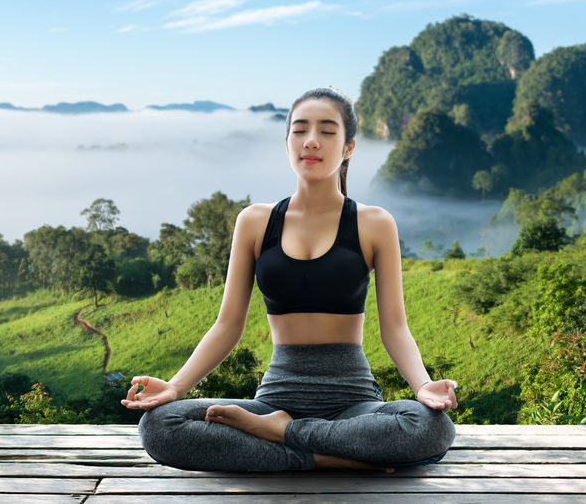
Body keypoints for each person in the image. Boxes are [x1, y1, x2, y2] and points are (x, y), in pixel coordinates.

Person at [121, 86, 458, 472]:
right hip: (274, 398)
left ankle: (283, 435)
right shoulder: (255, 222)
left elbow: (395, 329)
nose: (311, 141)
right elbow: (227, 325)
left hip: (352, 402)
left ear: (348, 147)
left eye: (327, 131)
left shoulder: (374, 223)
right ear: (287, 143)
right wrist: (176, 387)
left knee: (430, 427)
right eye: (300, 130)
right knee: (161, 426)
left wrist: (422, 386)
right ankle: (326, 456)